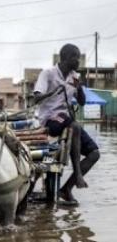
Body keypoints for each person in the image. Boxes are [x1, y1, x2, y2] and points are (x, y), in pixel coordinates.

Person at [32, 43, 100, 206]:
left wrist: (80, 88)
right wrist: (55, 91)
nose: (78, 61)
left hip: (66, 120)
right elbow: (36, 98)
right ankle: (77, 174)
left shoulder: (74, 77)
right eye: (75, 56)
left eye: (78, 57)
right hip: (49, 119)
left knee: (94, 154)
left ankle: (66, 189)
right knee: (74, 125)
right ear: (65, 58)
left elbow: (82, 103)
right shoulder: (48, 74)